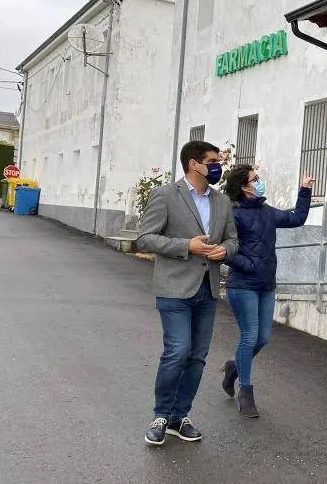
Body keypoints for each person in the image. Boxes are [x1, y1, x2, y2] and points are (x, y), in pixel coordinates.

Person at [136, 141, 238, 446]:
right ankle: (160, 416)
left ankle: (180, 417)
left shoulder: (222, 202)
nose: (218, 166)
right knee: (177, 352)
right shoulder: (166, 195)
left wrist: (225, 250)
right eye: (213, 161)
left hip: (207, 290)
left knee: (197, 357)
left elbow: (234, 239)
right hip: (174, 288)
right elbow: (144, 237)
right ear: (194, 164)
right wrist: (185, 246)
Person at [219, 164, 312, 417]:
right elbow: (222, 248)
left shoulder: (267, 211)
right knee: (249, 336)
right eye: (254, 179)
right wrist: (248, 264)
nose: (259, 182)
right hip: (242, 285)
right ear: (244, 187)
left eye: (258, 177)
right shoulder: (233, 214)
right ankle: (245, 393)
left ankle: (234, 367)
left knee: (263, 338)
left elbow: (296, 219)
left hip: (266, 285)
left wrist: (305, 190)